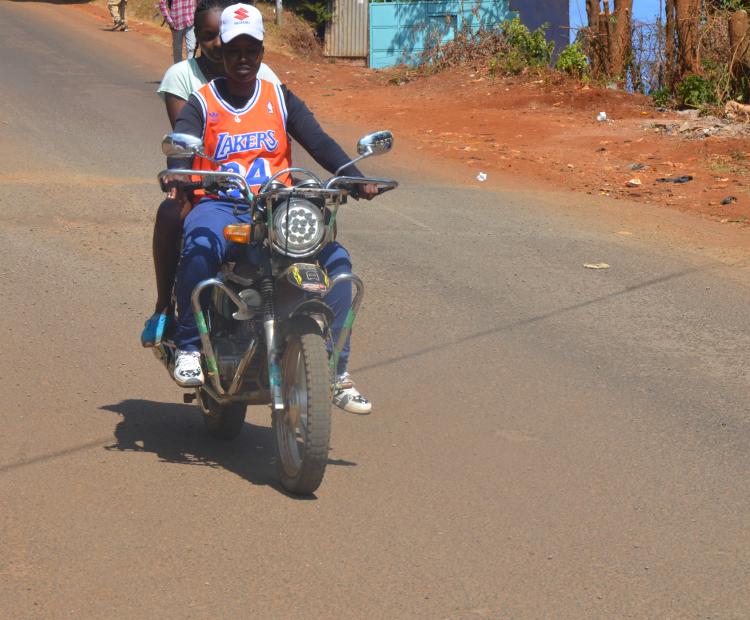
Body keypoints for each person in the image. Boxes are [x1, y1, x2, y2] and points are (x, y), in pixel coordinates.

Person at [166, 3, 376, 413]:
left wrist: (353, 175)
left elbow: (318, 141)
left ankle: (336, 372)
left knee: (338, 265)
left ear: (262, 51)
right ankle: (189, 347)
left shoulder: (279, 98)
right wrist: (177, 171)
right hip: (224, 204)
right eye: (233, 51)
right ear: (220, 52)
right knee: (200, 244)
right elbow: (182, 142)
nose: (243, 60)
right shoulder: (202, 102)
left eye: (251, 50)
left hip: (281, 207)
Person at [142, 0, 280, 350]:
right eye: (210, 36)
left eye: (226, 35)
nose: (220, 44)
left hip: (257, 185)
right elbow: (185, 140)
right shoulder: (182, 77)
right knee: (173, 216)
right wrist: (186, 177)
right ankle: (165, 308)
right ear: (198, 38)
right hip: (204, 179)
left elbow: (281, 129)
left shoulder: (263, 75)